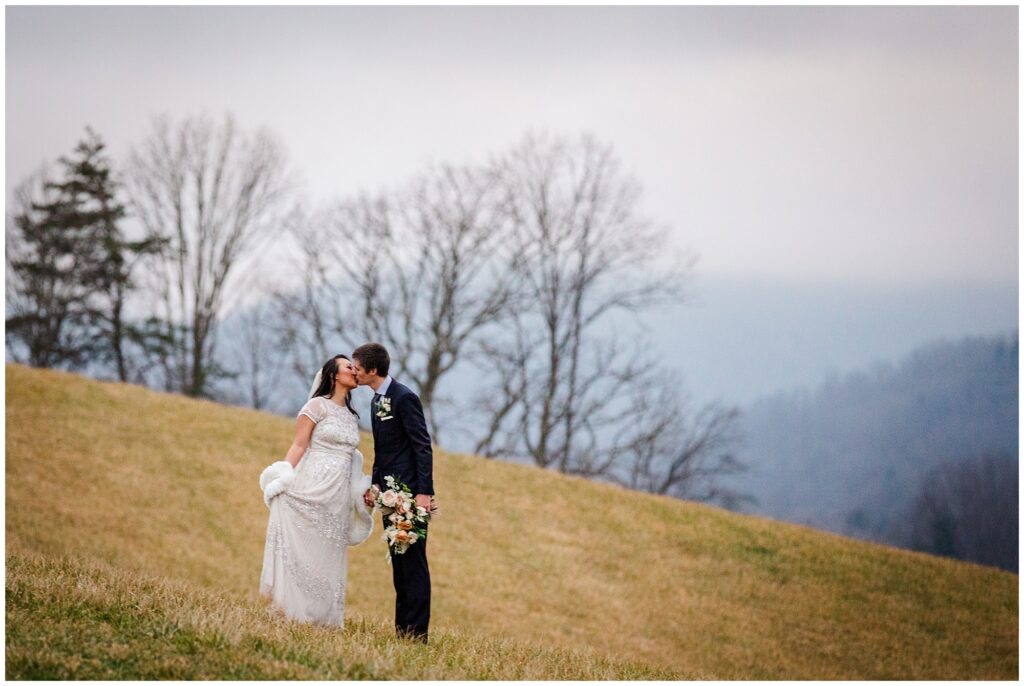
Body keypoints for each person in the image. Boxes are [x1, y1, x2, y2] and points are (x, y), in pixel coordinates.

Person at [259, 354, 374, 626]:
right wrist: (283, 478)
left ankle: (323, 617)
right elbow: (299, 445)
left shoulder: (351, 415)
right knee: (304, 549)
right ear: (334, 375)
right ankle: (292, 609)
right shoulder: (316, 406)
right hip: (312, 483)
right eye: (348, 367)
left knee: (328, 552)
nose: (354, 371)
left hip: (337, 494)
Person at [352, 342, 434, 643]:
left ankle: (418, 635)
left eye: (358, 368)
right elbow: (383, 450)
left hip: (410, 495)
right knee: (399, 562)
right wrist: (375, 485)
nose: (354, 372)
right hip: (389, 495)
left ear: (373, 370)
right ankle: (403, 630)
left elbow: (422, 446)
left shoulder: (404, 398)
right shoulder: (376, 401)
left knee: (414, 564)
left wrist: (424, 492)